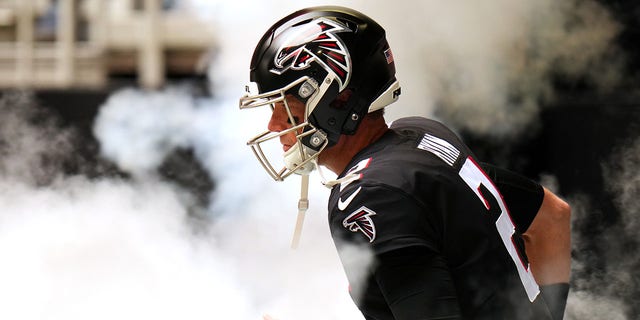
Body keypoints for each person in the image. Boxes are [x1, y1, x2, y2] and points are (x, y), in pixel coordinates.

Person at [239, 6, 571, 320]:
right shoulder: (420, 135)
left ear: (338, 99)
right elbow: (552, 218)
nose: (274, 125)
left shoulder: (369, 194)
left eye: (287, 106)